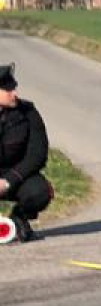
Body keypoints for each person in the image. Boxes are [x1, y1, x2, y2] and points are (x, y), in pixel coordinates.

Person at [0, 64, 52, 243]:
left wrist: (8, 181)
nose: (15, 93)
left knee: (40, 191)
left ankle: (19, 220)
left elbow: (38, 154)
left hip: (15, 176)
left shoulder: (28, 112)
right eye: (8, 90)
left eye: (14, 88)